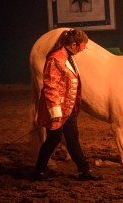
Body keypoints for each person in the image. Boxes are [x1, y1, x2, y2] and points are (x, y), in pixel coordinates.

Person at [34, 29, 102, 181]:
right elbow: (50, 86)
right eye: (81, 47)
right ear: (72, 45)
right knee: (54, 139)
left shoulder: (68, 58)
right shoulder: (55, 59)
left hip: (68, 108)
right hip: (57, 108)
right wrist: (55, 111)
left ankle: (84, 170)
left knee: (72, 138)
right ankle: (39, 170)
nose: (81, 50)